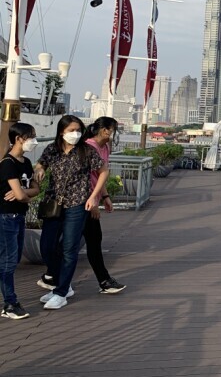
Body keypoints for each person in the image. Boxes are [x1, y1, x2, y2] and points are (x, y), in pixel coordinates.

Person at [35, 115, 109, 310]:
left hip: (77, 204)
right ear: (62, 132)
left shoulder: (87, 150)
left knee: (69, 248)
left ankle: (61, 293)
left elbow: (103, 171)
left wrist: (94, 196)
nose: (75, 134)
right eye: (71, 130)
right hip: (54, 203)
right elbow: (41, 163)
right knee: (47, 247)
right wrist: (39, 169)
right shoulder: (52, 149)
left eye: (78, 130)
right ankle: (63, 284)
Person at [82, 117, 127, 295]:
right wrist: (93, 202)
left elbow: (101, 176)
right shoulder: (88, 147)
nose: (115, 134)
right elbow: (84, 179)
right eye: (113, 130)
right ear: (104, 130)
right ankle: (55, 279)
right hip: (83, 201)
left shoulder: (105, 147)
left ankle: (104, 280)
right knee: (81, 243)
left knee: (93, 240)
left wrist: (105, 196)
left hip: (92, 199)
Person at [0, 122, 39, 319]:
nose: (34, 141)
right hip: (7, 217)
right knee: (8, 261)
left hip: (19, 216)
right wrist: (24, 194)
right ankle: (10, 303)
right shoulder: (8, 164)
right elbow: (24, 194)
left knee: (12, 260)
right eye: (31, 137)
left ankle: (9, 301)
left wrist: (23, 193)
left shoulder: (26, 162)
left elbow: (35, 189)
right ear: (18, 139)